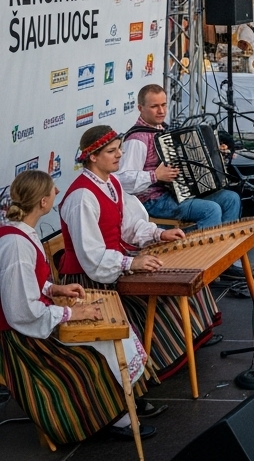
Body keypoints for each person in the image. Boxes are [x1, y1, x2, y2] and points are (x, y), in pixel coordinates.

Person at [0, 170, 156, 444]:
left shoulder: (21, 232)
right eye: (52, 190)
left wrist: (53, 288)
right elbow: (21, 311)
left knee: (115, 334)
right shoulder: (15, 243)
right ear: (42, 202)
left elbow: (23, 285)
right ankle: (110, 418)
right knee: (93, 353)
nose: (57, 193)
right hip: (21, 339)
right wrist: (73, 313)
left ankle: (122, 403)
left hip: (30, 321)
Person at [58, 125, 221, 379]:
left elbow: (130, 224)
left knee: (182, 281)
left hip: (114, 266)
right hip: (89, 280)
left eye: (119, 149)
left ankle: (188, 341)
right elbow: (91, 256)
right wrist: (131, 264)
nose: (119, 155)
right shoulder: (82, 197)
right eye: (112, 151)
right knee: (159, 300)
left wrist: (158, 234)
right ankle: (146, 376)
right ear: (92, 156)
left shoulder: (110, 183)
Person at [119, 84, 242, 231]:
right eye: (154, 106)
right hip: (153, 200)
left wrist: (216, 154)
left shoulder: (162, 129)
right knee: (211, 210)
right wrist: (155, 175)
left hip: (177, 194)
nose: (161, 111)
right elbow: (123, 180)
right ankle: (207, 253)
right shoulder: (136, 140)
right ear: (140, 108)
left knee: (231, 199)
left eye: (164, 105)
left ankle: (227, 250)